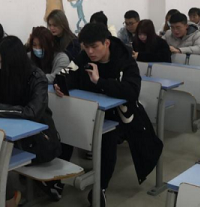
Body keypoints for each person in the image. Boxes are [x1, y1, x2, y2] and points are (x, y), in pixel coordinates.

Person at [54, 23, 162, 206]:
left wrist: (99, 81)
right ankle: (57, 179)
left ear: (106, 43)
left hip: (122, 116)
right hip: (91, 112)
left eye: (94, 46)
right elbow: (66, 74)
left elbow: (132, 91)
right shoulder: (84, 56)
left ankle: (100, 187)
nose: (90, 52)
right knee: (65, 127)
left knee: (108, 135)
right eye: (86, 47)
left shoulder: (125, 60)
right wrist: (60, 84)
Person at [0, 36, 62, 206]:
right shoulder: (4, 74)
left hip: (40, 140)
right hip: (15, 136)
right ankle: (5, 194)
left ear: (13, 61)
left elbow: (32, 112)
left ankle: (8, 197)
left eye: (2, 63)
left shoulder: (37, 78)